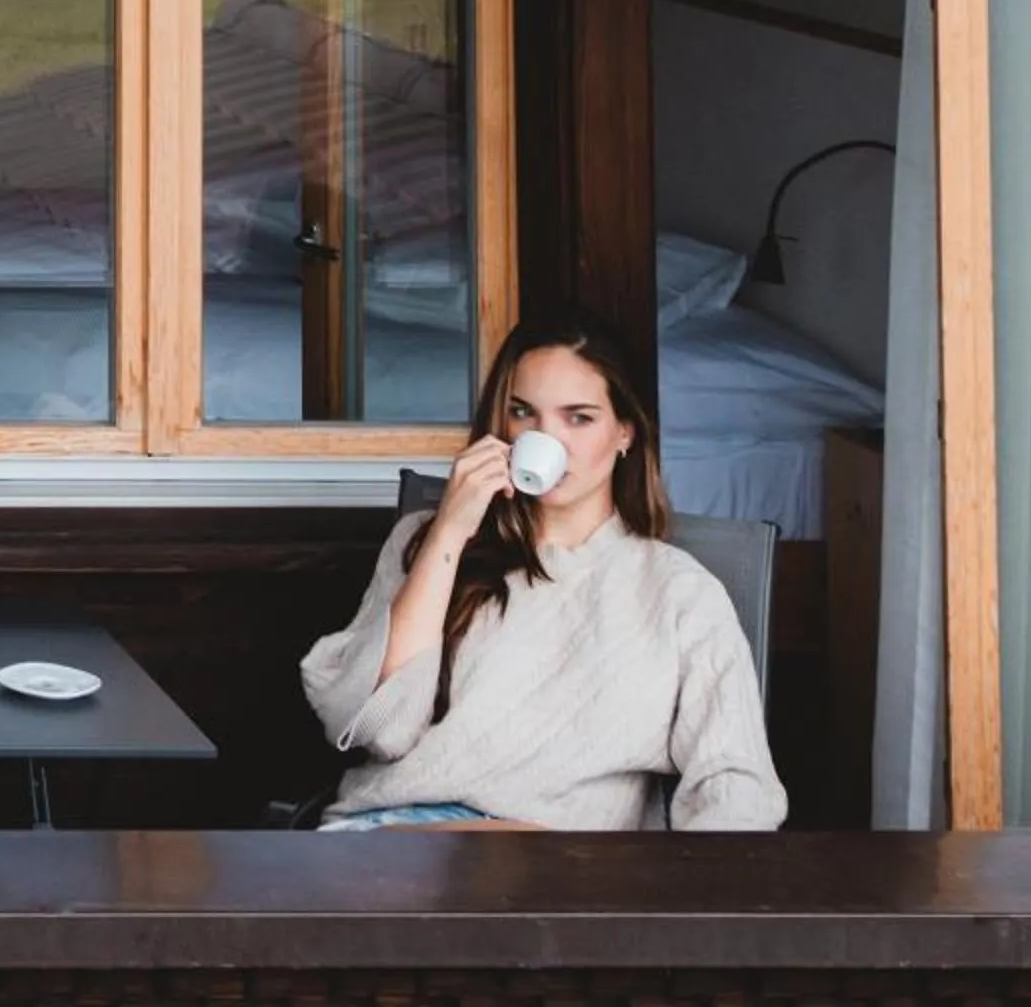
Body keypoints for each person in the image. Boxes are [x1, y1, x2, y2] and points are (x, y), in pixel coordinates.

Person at [298, 312, 787, 831]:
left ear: (625, 432)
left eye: (579, 417)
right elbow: (380, 728)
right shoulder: (426, 541)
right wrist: (449, 533)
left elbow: (734, 785)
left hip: (562, 877)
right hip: (390, 840)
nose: (547, 438)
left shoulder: (677, 591)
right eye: (523, 413)